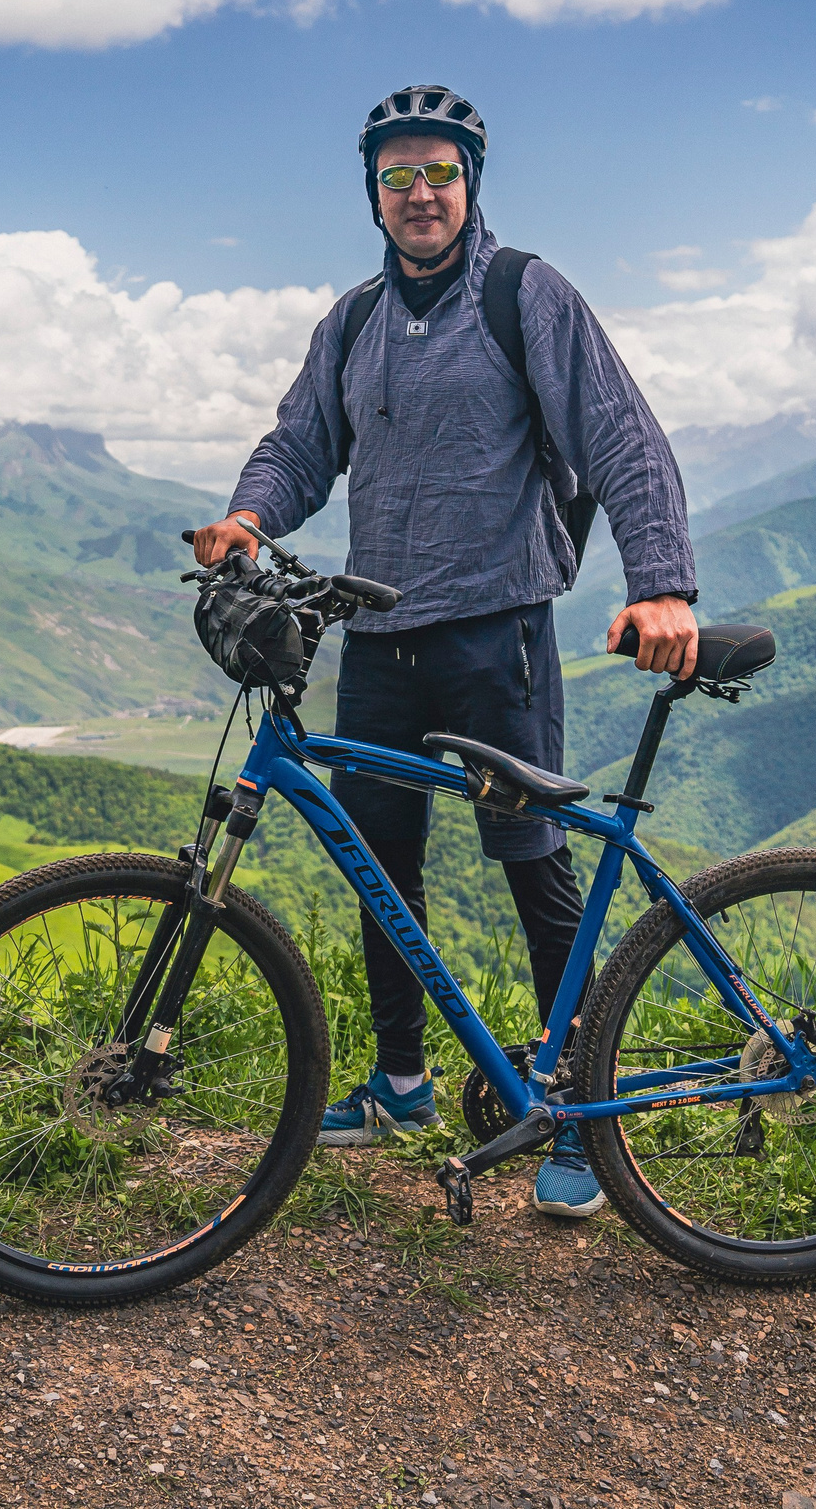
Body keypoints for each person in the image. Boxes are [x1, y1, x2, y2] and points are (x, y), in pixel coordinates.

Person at [191, 85, 699, 1219]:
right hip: (376, 636)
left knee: (535, 863)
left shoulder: (527, 297)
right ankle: (400, 1084)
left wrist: (660, 582)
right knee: (381, 861)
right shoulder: (355, 321)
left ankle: (572, 1112)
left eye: (440, 173)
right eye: (396, 176)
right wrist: (249, 518)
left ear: (471, 184)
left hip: (495, 632)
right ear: (370, 194)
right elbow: (300, 443)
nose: (419, 194)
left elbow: (621, 436)